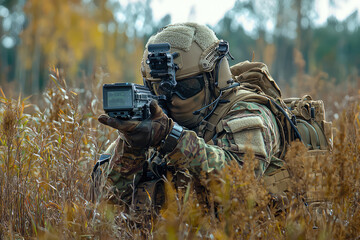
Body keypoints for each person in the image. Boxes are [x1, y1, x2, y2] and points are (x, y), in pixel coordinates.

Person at [95, 22, 293, 210]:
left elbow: (240, 182)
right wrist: (131, 147)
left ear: (215, 78)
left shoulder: (249, 112)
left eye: (185, 87)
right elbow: (104, 204)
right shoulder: (152, 122)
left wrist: (170, 137)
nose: (171, 99)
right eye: (158, 88)